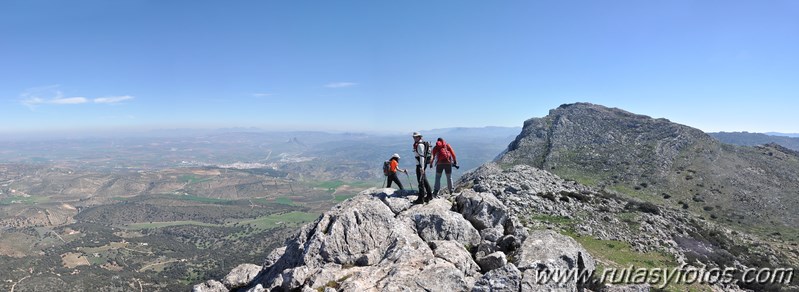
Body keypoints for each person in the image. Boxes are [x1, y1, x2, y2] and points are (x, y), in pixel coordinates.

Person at [412, 132, 433, 204]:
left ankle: (421, 199)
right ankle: (429, 195)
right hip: (421, 165)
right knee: (424, 179)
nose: (414, 138)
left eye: (416, 137)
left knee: (420, 181)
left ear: (419, 137)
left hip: (420, 165)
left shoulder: (420, 145)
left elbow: (422, 157)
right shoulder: (420, 144)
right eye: (414, 137)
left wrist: (422, 168)